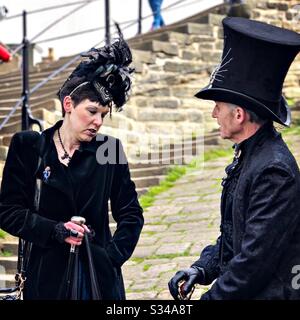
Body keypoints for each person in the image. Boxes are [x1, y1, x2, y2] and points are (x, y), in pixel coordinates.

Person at [0, 34, 144, 300]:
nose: (98, 121)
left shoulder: (108, 149)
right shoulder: (29, 146)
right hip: (46, 279)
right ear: (68, 104)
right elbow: (8, 212)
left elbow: (132, 213)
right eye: (92, 111)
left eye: (103, 114)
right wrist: (54, 230)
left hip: (98, 281)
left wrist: (110, 258)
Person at [168, 17, 300, 300]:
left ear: (238, 115)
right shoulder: (250, 157)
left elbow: (254, 263)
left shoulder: (274, 170)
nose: (214, 114)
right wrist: (201, 269)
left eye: (217, 107)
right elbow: (233, 236)